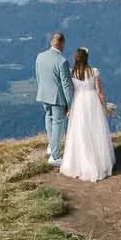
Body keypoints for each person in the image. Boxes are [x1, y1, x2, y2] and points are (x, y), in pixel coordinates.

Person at [59, 46, 116, 182]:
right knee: (95, 130)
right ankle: (99, 163)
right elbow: (100, 93)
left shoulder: (72, 73)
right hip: (92, 102)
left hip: (78, 102)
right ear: (87, 58)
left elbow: (70, 91)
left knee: (80, 132)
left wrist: (69, 107)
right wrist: (105, 107)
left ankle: (80, 164)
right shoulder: (94, 72)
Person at [35, 32, 75, 166]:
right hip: (57, 97)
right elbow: (66, 84)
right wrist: (70, 102)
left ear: (51, 42)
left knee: (48, 118)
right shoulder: (62, 61)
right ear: (62, 44)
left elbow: (38, 76)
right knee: (58, 123)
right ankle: (55, 156)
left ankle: (51, 147)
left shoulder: (40, 56)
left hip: (43, 94)